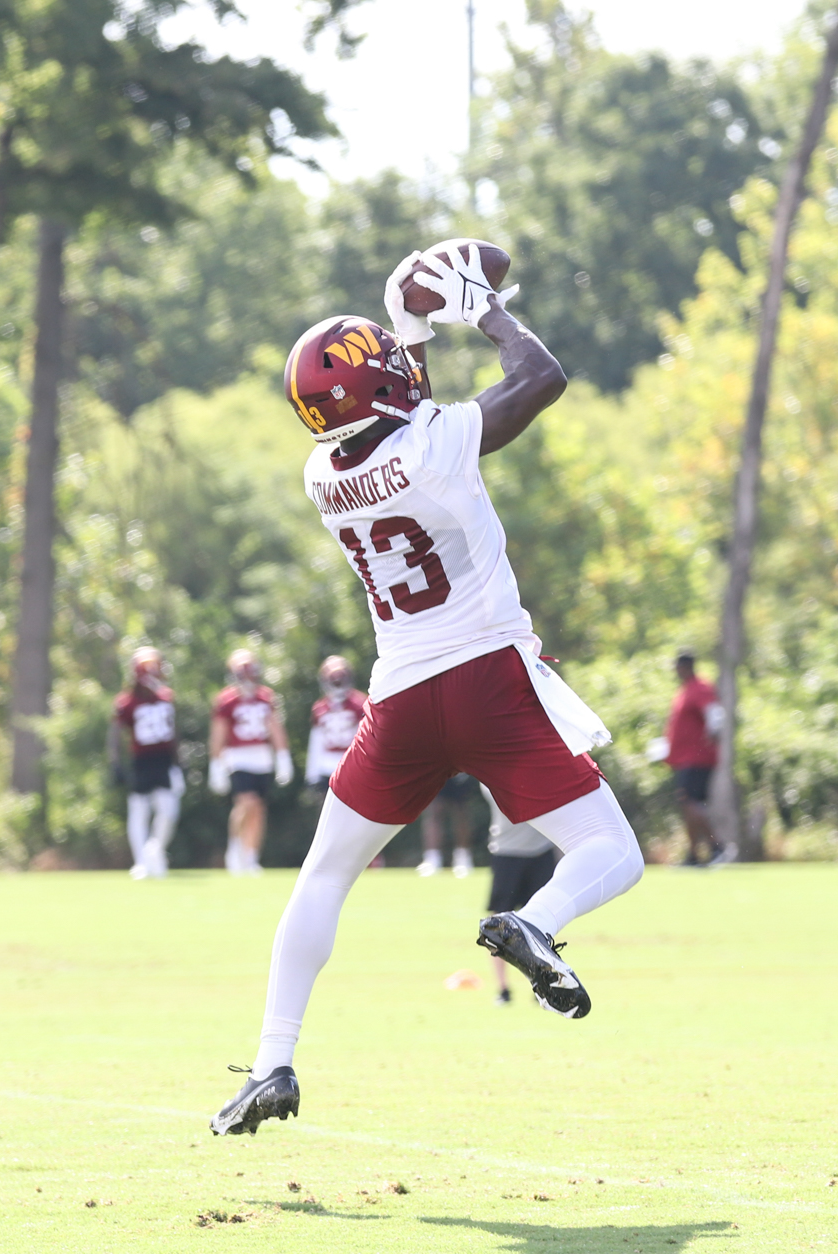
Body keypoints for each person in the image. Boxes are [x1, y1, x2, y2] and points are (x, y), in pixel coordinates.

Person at [211, 243, 644, 1136]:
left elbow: (400, 410)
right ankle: (536, 922)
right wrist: (482, 308)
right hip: (488, 681)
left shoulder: (323, 476)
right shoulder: (437, 445)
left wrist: (406, 330)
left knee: (324, 876)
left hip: (402, 699)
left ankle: (272, 1062)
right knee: (610, 849)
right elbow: (541, 377)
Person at [208, 649, 294, 875]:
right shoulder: (226, 700)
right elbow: (219, 733)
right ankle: (235, 848)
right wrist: (216, 764)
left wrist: (283, 756)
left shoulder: (266, 697)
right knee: (246, 802)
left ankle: (251, 856)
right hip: (237, 756)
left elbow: (274, 728)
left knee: (258, 808)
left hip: (261, 757)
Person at [107, 646, 185, 879]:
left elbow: (173, 731)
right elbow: (115, 733)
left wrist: (179, 762)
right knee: (139, 810)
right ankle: (141, 862)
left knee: (169, 811)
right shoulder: (126, 701)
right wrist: (115, 763)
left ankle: (154, 850)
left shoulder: (166, 696)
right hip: (141, 761)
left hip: (163, 760)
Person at [479, 783, 556, 1005]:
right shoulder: (491, 779)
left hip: (541, 853)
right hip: (507, 853)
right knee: (498, 925)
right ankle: (503, 988)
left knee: (543, 922)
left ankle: (542, 984)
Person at [658, 649, 729, 867]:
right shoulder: (685, 690)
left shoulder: (700, 687)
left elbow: (715, 714)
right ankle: (693, 855)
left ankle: (717, 847)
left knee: (691, 803)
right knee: (688, 804)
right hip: (684, 758)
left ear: (685, 667)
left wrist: (712, 736)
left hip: (697, 757)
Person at [304, 655, 366, 794]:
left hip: (352, 766)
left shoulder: (360, 704)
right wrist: (312, 774)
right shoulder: (320, 708)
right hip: (327, 767)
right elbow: (316, 741)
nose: (337, 681)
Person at [417, 775, 475, 877]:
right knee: (434, 811)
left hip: (460, 771)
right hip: (435, 770)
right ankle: (432, 858)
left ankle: (463, 858)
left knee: (460, 812)